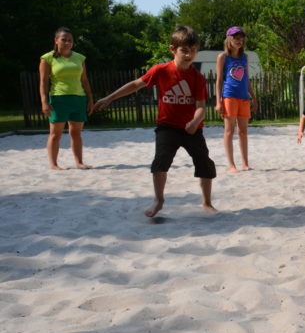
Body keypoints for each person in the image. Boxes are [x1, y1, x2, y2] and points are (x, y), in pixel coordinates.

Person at [93, 25, 217, 216]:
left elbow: (201, 107)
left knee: (205, 163)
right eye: (184, 50)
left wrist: (194, 121)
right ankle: (158, 200)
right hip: (167, 127)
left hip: (192, 129)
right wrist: (109, 98)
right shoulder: (161, 70)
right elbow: (135, 85)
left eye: (193, 51)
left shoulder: (197, 77)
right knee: (160, 163)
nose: (189, 55)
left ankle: (207, 202)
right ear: (173, 49)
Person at [38, 27, 94, 170]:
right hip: (58, 99)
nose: (67, 42)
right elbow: (43, 82)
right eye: (64, 39)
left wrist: (90, 99)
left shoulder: (80, 58)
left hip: (78, 99)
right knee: (55, 134)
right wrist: (44, 101)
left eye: (70, 40)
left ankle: (79, 162)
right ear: (56, 40)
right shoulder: (47, 58)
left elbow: (85, 80)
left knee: (76, 132)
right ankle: (54, 164)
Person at [215, 26, 254, 173]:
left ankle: (245, 163)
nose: (239, 41)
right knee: (229, 131)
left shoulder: (245, 57)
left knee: (243, 131)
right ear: (229, 39)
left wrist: (253, 97)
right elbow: (219, 80)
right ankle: (231, 165)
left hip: (243, 97)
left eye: (241, 38)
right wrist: (218, 101)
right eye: (236, 38)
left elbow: (247, 79)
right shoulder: (223, 57)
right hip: (229, 96)